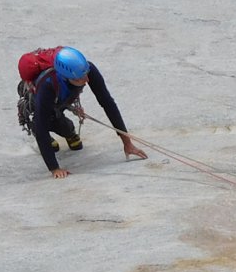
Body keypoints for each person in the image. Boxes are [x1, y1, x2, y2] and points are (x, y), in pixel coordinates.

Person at [16, 46, 148, 178]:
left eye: (86, 74)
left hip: (62, 98)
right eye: (81, 78)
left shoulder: (87, 70)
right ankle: (51, 127)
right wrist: (54, 168)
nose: (87, 80)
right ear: (66, 77)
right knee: (49, 127)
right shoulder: (48, 85)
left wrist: (127, 143)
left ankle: (66, 128)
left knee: (68, 132)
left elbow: (108, 103)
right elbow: (41, 127)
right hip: (38, 101)